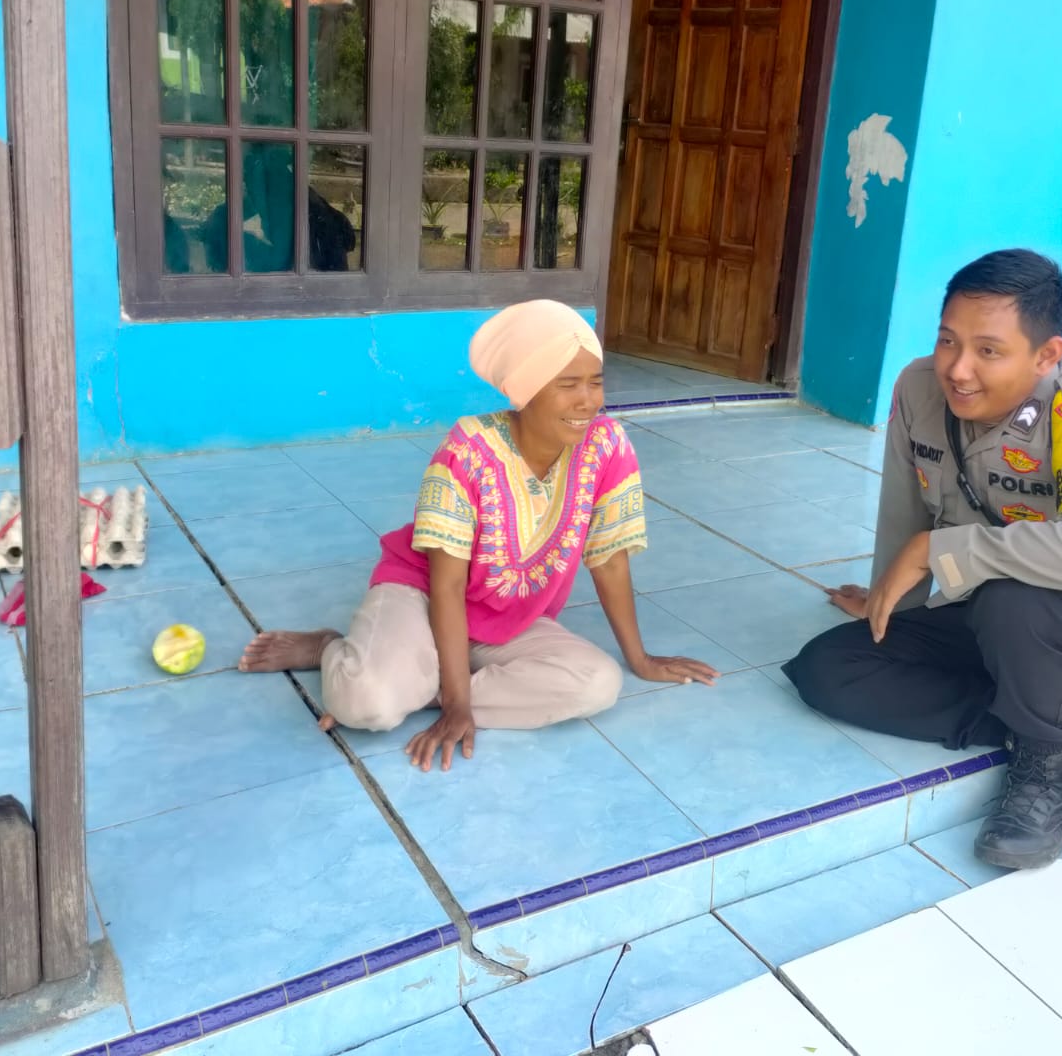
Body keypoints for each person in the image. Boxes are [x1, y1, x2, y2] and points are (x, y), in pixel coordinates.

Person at [783, 250, 1062, 873]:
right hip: (991, 621)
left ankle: (1044, 777)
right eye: (948, 340)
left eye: (988, 351)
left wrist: (941, 551)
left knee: (1016, 596)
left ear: (1046, 355)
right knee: (828, 668)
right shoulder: (918, 388)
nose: (957, 368)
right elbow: (904, 515)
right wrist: (890, 599)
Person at [240, 300, 719, 771]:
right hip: (423, 595)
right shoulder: (467, 451)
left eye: (595, 382)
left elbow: (609, 559)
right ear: (525, 391)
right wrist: (456, 705)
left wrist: (640, 659)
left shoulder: (607, 444)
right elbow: (447, 586)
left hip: (510, 617)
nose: (588, 401)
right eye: (567, 384)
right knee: (369, 707)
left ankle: (421, 685)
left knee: (597, 683)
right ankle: (328, 647)